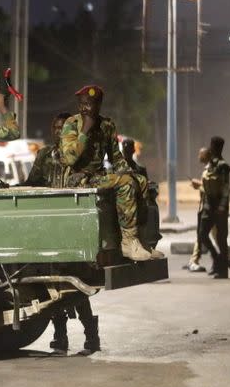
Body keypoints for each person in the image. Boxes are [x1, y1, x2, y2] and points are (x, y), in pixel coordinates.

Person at [24, 113, 101, 355]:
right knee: (52, 283)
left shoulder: (81, 154)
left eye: (63, 127)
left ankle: (92, 338)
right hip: (49, 226)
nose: (58, 131)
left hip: (73, 227)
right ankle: (60, 338)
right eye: (55, 127)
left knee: (77, 287)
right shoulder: (45, 154)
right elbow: (33, 182)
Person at [59, 85, 163, 261]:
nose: (85, 108)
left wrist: (131, 174)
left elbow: (116, 158)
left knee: (139, 181)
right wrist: (85, 131)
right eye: (82, 104)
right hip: (77, 179)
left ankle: (141, 240)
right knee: (125, 183)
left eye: (90, 104)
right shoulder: (72, 124)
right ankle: (128, 242)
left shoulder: (106, 125)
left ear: (98, 105)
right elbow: (70, 158)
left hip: (98, 177)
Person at [197, 136, 230, 279]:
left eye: (214, 146)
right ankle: (217, 259)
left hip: (219, 206)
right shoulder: (209, 165)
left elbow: (226, 188)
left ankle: (222, 269)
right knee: (202, 234)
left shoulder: (223, 166)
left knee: (221, 238)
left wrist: (222, 205)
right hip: (208, 204)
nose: (212, 148)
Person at [24, 112, 72, 187]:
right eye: (54, 128)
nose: (56, 132)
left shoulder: (77, 153)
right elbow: (31, 182)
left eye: (60, 128)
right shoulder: (44, 154)